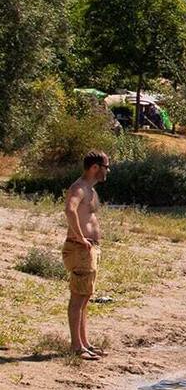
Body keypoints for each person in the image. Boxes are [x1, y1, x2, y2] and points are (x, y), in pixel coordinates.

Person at [62, 150, 110, 360]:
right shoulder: (79, 188)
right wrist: (80, 237)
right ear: (95, 167)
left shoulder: (90, 189)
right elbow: (69, 209)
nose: (108, 171)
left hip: (89, 249)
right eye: (106, 167)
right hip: (80, 248)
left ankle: (84, 343)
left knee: (85, 297)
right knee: (78, 297)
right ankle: (76, 347)